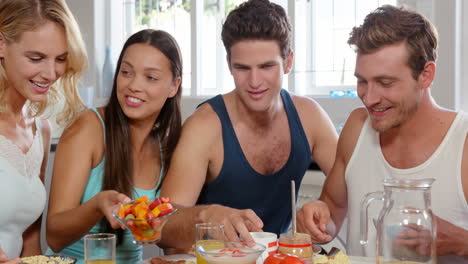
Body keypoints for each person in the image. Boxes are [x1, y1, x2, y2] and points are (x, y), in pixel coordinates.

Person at [159, 0, 337, 250]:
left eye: (266, 66)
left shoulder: (310, 117)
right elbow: (161, 228)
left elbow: (352, 185)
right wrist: (207, 216)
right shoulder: (204, 127)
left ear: (288, 62)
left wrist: (324, 210)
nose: (254, 82)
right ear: (229, 65)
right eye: (242, 68)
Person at [296, 5, 468, 263]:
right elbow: (333, 206)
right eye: (362, 81)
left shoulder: (463, 143)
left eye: (385, 83)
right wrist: (318, 218)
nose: (369, 98)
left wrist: (461, 242)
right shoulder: (357, 127)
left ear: (425, 75)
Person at [45, 29, 183, 263]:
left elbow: (166, 232)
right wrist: (97, 206)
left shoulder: (167, 144)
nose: (133, 86)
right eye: (126, 72)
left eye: (150, 77)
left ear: (173, 86)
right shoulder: (89, 128)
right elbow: (54, 237)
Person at [0, 0, 87, 263]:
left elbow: (29, 235)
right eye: (36, 58)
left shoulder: (41, 130)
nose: (51, 73)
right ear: (1, 44)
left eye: (61, 59)